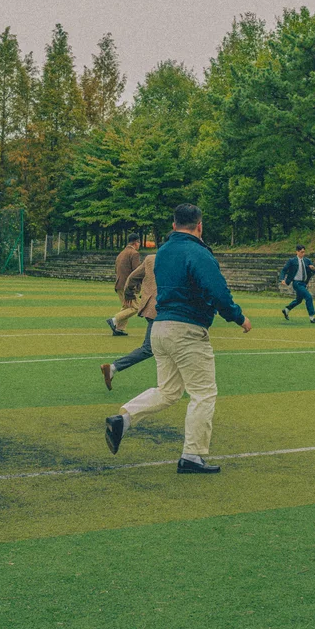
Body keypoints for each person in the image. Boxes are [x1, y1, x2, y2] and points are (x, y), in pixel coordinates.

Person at [104, 203, 251, 474]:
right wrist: (239, 318)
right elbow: (218, 291)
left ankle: (122, 420)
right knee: (204, 393)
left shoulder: (162, 253)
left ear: (173, 225)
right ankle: (192, 456)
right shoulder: (198, 252)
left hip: (159, 327)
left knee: (168, 391)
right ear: (199, 226)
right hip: (187, 331)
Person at [101, 251, 158, 389]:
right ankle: (114, 367)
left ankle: (113, 368)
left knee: (164, 347)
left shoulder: (151, 258)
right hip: (166, 310)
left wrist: (129, 292)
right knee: (150, 348)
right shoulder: (180, 257)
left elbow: (132, 277)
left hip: (151, 308)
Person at [106, 233, 142, 337]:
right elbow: (137, 271)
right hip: (128, 286)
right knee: (135, 307)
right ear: (136, 242)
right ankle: (114, 320)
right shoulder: (134, 253)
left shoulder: (121, 253)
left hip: (119, 284)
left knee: (126, 307)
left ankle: (119, 329)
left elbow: (116, 269)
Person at [279, 245, 315, 323]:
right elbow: (284, 270)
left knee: (299, 300)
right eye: (301, 252)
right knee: (308, 297)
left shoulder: (307, 260)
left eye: (304, 252)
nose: (303, 254)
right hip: (296, 283)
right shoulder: (292, 261)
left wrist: (314, 268)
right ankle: (312, 317)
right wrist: (282, 279)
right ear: (297, 252)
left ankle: (286, 310)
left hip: (304, 283)